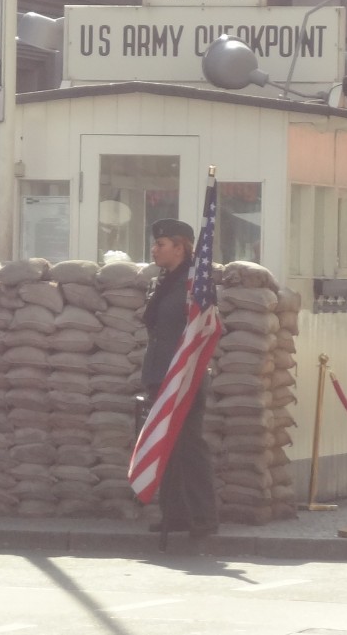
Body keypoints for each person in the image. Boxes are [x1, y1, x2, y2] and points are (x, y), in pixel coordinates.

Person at [139, 218, 218, 538]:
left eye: (161, 244)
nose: (154, 249)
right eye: (155, 244)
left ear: (180, 247)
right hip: (161, 373)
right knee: (167, 446)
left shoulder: (194, 285)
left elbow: (203, 328)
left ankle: (203, 517)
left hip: (185, 376)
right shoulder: (166, 281)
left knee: (188, 446)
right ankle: (176, 515)